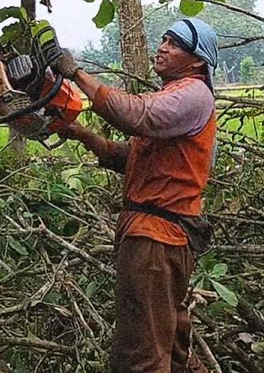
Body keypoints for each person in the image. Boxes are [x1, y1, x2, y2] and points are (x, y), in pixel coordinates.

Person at [41, 18, 219, 373]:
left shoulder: (193, 93)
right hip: (160, 236)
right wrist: (82, 134)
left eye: (175, 43)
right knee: (172, 347)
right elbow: (137, 159)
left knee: (141, 354)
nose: (163, 46)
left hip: (157, 238)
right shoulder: (175, 97)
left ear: (197, 60)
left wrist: (77, 74)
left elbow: (137, 115)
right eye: (164, 38)